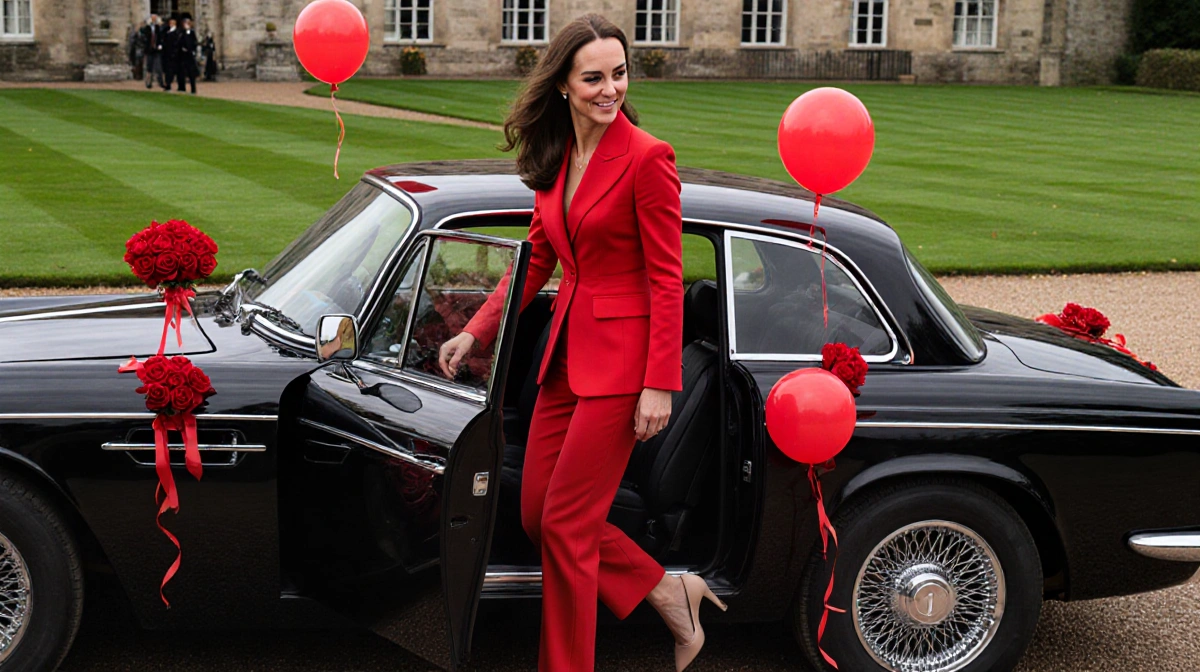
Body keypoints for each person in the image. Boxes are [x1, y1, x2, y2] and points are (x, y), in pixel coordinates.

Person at [438, 13, 725, 672]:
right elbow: (535, 259)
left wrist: (659, 383)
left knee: (566, 527)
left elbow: (665, 279)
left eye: (618, 74)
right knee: (541, 514)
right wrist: (475, 331)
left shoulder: (649, 159)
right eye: (593, 77)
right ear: (563, 84)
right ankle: (666, 589)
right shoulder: (557, 156)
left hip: (625, 370)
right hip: (565, 361)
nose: (609, 89)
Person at [140, 15, 164, 89]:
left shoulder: (158, 28)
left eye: (155, 19)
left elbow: (160, 36)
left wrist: (160, 45)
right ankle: (148, 82)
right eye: (152, 19)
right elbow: (142, 32)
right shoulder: (147, 28)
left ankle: (161, 82)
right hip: (149, 50)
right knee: (149, 67)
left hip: (156, 50)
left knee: (158, 66)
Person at [176, 18, 200, 94]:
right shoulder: (181, 32)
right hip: (182, 56)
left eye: (188, 23)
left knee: (191, 73)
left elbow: (194, 42)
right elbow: (179, 42)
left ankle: (193, 89)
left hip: (190, 55)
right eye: (185, 23)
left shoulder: (191, 32)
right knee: (181, 72)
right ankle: (182, 87)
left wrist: (192, 50)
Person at [161, 17, 179, 91]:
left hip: (173, 54)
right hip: (166, 54)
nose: (171, 24)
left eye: (172, 23)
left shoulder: (177, 32)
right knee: (167, 70)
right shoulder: (167, 31)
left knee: (171, 70)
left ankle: (169, 83)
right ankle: (167, 83)